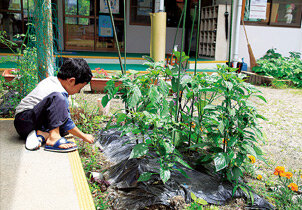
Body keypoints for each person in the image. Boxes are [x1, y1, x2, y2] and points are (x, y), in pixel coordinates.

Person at [14, 58, 94, 152]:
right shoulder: (58, 92)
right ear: (71, 81)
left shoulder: (53, 81)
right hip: (24, 120)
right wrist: (84, 136)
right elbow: (67, 121)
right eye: (80, 88)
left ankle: (42, 135)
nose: (78, 92)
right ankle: (53, 139)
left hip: (28, 123)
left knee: (63, 127)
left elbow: (62, 120)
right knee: (59, 101)